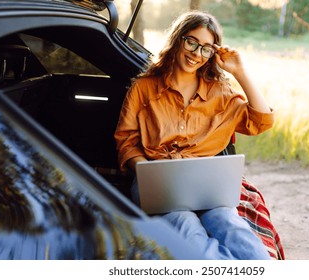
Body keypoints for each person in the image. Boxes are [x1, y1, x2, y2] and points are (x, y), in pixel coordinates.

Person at [114, 11, 274, 260]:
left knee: (231, 227)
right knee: (187, 227)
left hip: (205, 184)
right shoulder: (143, 88)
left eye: (206, 49)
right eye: (192, 42)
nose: (197, 54)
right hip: (160, 180)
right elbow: (126, 142)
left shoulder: (220, 92)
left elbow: (261, 121)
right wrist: (148, 173)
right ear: (178, 39)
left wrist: (239, 72)